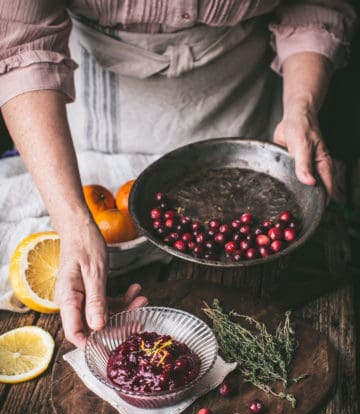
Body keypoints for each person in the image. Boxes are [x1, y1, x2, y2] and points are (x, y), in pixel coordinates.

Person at [0, 1, 357, 350]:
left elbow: (315, 6)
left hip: (246, 112)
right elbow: (22, 44)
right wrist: (74, 223)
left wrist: (302, 108)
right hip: (103, 120)